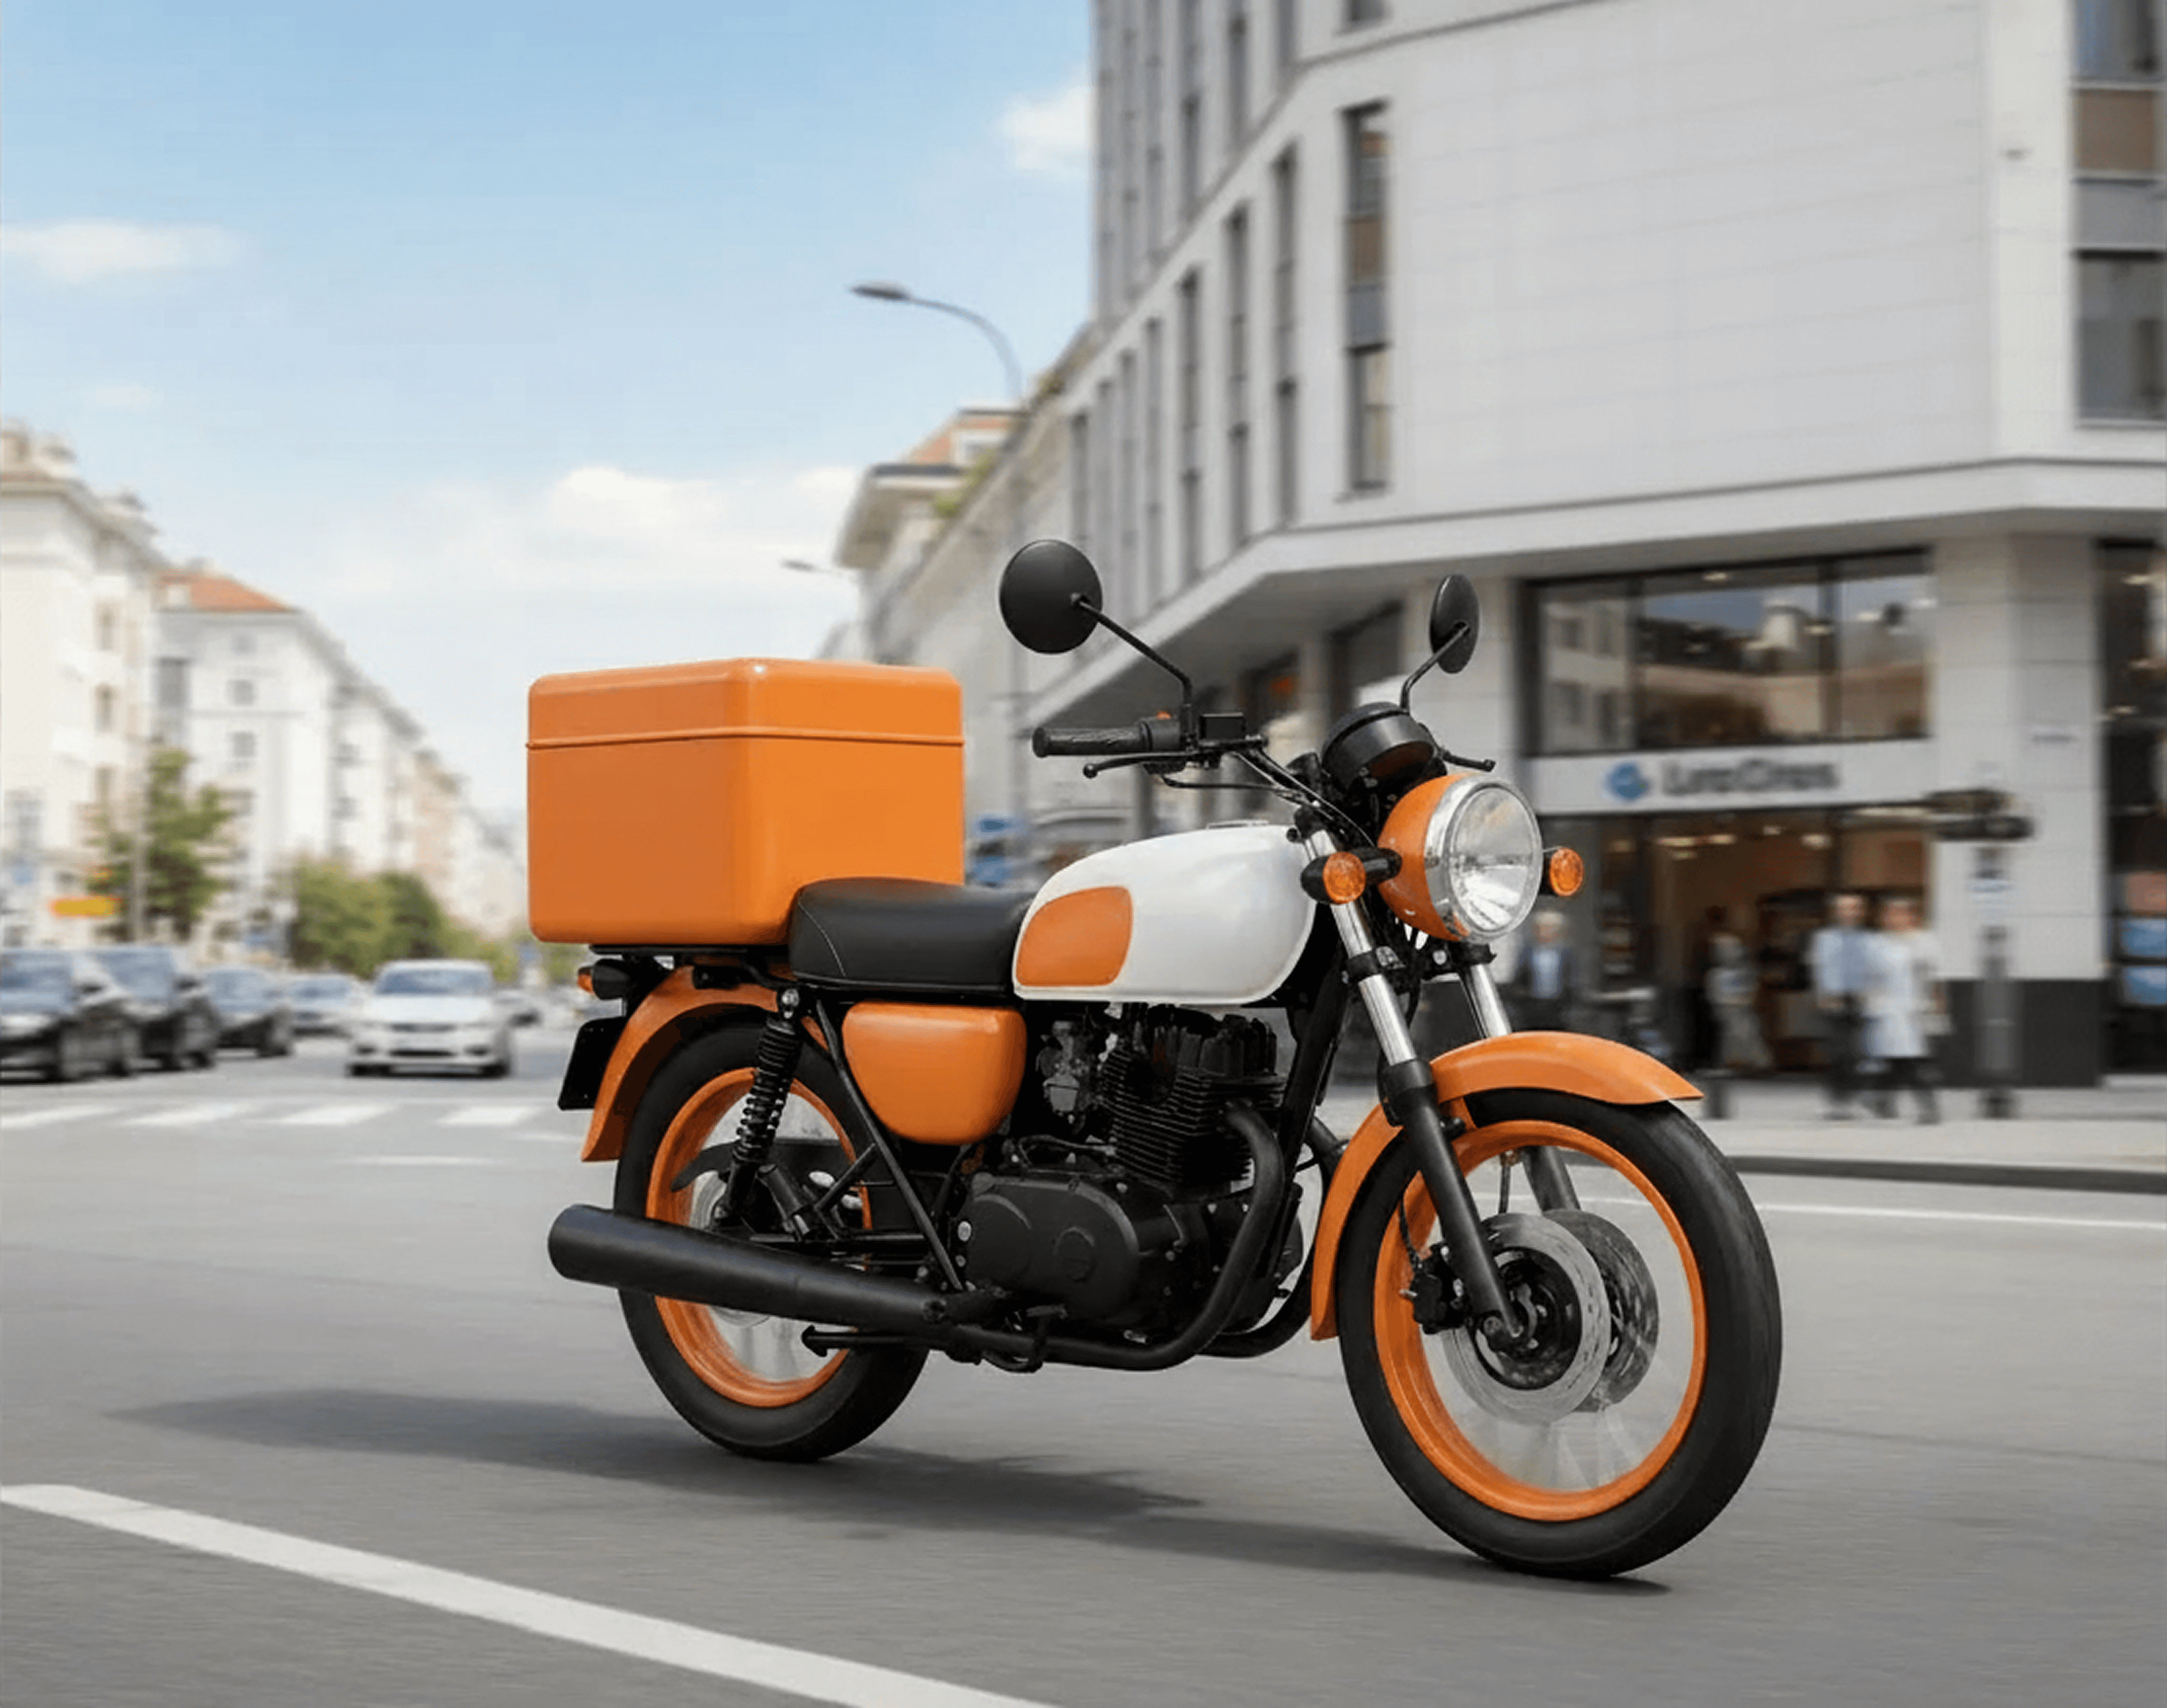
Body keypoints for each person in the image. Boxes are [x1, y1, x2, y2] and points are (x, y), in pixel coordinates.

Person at [1863, 895, 1944, 1123]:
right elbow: (1870, 979)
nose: (1895, 919)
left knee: (1910, 1060)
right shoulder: (1877, 943)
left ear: (1911, 917)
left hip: (1915, 1010)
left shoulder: (1924, 941)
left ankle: (1890, 1102)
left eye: (1901, 914)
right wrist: (1872, 1007)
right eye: (1891, 914)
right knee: (1899, 1060)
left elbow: (1934, 976)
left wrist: (1936, 1007)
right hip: (1886, 1010)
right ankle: (1912, 1106)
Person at [1810, 891, 1874, 1118]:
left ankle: (1854, 1097)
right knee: (1837, 1051)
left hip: (1860, 999)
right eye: (1844, 908)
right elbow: (1820, 967)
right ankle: (1836, 1100)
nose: (1849, 912)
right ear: (1836, 912)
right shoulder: (1825, 938)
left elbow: (1873, 970)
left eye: (1854, 908)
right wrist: (1824, 995)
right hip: (1834, 999)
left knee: (1857, 1051)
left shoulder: (1868, 939)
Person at [1706, 931, 1772, 1074]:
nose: (1729, 954)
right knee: (1730, 1037)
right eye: (1724, 950)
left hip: (1744, 1012)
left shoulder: (1746, 972)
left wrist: (1744, 1000)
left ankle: (1756, 1063)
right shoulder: (1715, 975)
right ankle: (1733, 1063)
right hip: (1727, 1014)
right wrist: (1730, 1003)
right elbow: (1715, 996)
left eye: (1733, 949)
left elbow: (1752, 991)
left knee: (1748, 1032)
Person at [1513, 909, 1578, 1032]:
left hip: (1557, 1008)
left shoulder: (1566, 954)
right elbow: (1519, 978)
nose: (1545, 932)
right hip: (1532, 1008)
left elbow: (1572, 981)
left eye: (1549, 928)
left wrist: (1568, 1006)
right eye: (1542, 928)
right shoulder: (1527, 952)